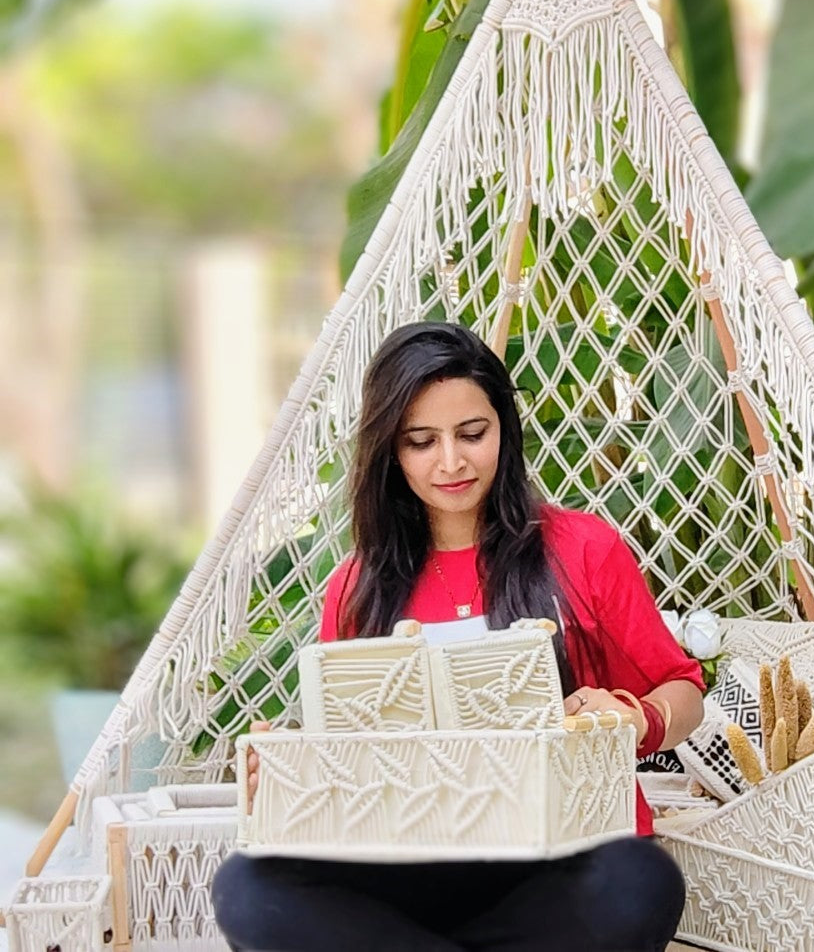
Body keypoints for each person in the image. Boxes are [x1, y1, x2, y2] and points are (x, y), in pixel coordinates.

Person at [213, 321, 706, 952]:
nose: (451, 462)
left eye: (472, 434)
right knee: (248, 889)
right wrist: (284, 769)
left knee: (640, 881)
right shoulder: (358, 586)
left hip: (554, 863)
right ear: (391, 451)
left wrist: (639, 718)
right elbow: (341, 759)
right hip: (403, 865)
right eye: (421, 442)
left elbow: (684, 690)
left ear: (504, 428)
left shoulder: (583, 550)